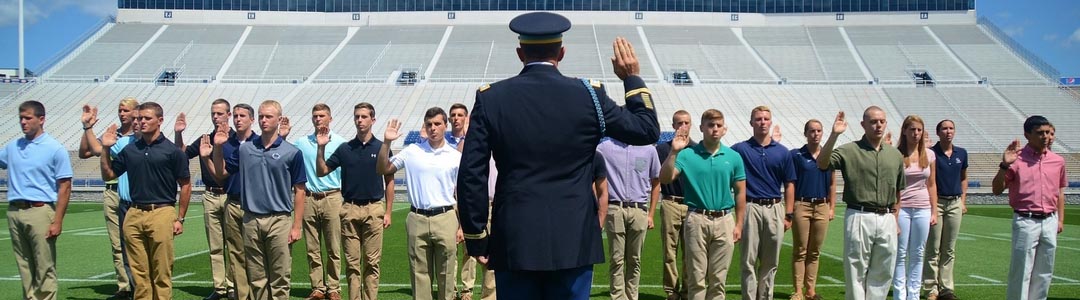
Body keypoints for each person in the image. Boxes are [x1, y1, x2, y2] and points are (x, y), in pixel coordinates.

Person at [455, 12, 659, 299]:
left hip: (515, 238)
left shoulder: (492, 98)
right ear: (561, 52)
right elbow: (646, 130)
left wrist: (477, 238)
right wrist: (632, 78)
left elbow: (472, 174)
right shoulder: (590, 96)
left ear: (519, 53)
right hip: (573, 240)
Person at [207, 100, 307, 300]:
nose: (263, 120)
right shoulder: (245, 150)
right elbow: (221, 172)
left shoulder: (292, 152)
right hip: (251, 219)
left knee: (279, 278)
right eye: (261, 116)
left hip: (279, 219)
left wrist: (296, 225)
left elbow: (300, 190)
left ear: (279, 119)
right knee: (257, 278)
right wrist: (218, 148)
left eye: (268, 116)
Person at [100, 102, 193, 300]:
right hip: (134, 213)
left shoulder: (172, 151)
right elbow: (108, 175)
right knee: (139, 274)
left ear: (160, 121)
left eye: (147, 118)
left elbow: (186, 185)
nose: (141, 122)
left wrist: (180, 218)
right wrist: (105, 149)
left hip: (162, 211)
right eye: (139, 118)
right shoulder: (130, 150)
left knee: (161, 272)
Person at [817, 107, 904, 300]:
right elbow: (822, 163)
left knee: (884, 270)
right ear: (863, 125)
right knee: (855, 269)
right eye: (873, 121)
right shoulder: (849, 150)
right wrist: (833, 134)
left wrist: (895, 218)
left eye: (881, 121)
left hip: (887, 217)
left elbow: (898, 191)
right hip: (859, 214)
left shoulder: (895, 155)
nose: (878, 125)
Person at [377, 107, 463, 300]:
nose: (433, 128)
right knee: (419, 274)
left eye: (437, 124)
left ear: (445, 126)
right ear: (424, 126)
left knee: (447, 274)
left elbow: (461, 193)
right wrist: (387, 142)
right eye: (429, 124)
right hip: (417, 217)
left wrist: (461, 225)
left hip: (446, 216)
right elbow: (383, 168)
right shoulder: (412, 151)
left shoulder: (455, 157)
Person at [659, 109, 745, 300]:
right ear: (702, 128)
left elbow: (740, 192)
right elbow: (665, 178)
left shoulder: (733, 157)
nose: (714, 129)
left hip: (724, 220)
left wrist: (739, 224)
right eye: (710, 125)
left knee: (718, 280)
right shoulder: (687, 154)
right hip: (696, 219)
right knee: (696, 279)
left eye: (718, 125)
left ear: (724, 129)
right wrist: (673, 152)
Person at [314, 102, 396, 300]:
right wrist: (321, 148)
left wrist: (388, 212)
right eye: (357, 116)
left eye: (364, 116)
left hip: (374, 208)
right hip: (349, 209)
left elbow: (389, 181)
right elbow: (321, 171)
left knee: (371, 262)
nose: (360, 120)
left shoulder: (381, 147)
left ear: (373, 120)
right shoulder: (345, 149)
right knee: (352, 264)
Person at [2, 101, 73, 300]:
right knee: (24, 265)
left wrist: (58, 220)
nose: (23, 122)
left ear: (41, 119)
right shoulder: (13, 146)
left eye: (28, 118)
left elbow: (65, 186)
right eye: (21, 118)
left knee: (44, 265)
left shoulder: (55, 148)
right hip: (15, 211)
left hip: (40, 211)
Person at [993, 116, 1066, 300]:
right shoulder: (1016, 159)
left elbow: (1059, 192)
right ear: (1027, 134)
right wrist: (1004, 165)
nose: (1046, 137)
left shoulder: (1058, 161)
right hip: (1026, 220)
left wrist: (1060, 219)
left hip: (1050, 219)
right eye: (1040, 133)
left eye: (1048, 132)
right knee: (1022, 271)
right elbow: (996, 189)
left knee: (1044, 272)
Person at [174, 98, 237, 300]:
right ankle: (219, 288)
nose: (216, 117)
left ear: (229, 115)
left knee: (235, 245)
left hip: (232, 195)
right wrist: (178, 133)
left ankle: (234, 286)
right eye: (213, 113)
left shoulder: (237, 140)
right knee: (215, 245)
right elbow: (180, 154)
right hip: (210, 195)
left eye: (220, 113)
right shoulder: (205, 139)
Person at [730, 106, 795, 300]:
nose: (763, 122)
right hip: (750, 207)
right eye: (758, 119)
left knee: (770, 262)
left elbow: (790, 184)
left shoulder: (783, 152)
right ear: (751, 123)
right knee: (748, 261)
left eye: (766, 119)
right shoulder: (740, 149)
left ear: (771, 121)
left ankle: (766, 297)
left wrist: (789, 214)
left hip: (775, 208)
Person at [79, 99, 138, 300]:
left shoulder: (134, 138)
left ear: (135, 113)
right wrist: (88, 129)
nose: (122, 114)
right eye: (120, 110)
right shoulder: (114, 134)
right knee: (117, 243)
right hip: (112, 190)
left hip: (130, 193)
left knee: (133, 242)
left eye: (126, 110)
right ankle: (124, 286)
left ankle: (137, 284)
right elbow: (85, 151)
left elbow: (96, 149)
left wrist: (90, 130)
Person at [596, 137, 660, 300]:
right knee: (616, 259)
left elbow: (656, 181)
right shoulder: (604, 148)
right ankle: (618, 297)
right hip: (614, 208)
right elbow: (595, 176)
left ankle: (632, 296)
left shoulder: (649, 149)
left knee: (635, 259)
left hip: (639, 209)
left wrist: (651, 214)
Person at [296, 103, 347, 300]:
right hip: (309, 198)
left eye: (322, 116)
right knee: (312, 247)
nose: (318, 119)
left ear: (330, 119)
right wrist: (282, 135)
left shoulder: (341, 143)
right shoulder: (302, 142)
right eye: (315, 116)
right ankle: (317, 287)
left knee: (334, 246)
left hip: (332, 197)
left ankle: (333, 287)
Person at [210, 103, 257, 300]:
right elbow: (220, 174)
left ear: (251, 119)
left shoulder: (259, 142)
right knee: (236, 254)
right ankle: (241, 294)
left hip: (255, 206)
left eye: (242, 116)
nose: (238, 119)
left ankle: (257, 293)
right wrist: (215, 150)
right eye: (236, 115)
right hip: (233, 202)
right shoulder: (226, 143)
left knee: (255, 254)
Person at [789, 119, 836, 300]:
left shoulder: (829, 155)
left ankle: (810, 290)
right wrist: (791, 209)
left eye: (818, 131)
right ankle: (798, 291)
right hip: (802, 205)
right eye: (811, 131)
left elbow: (832, 184)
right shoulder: (797, 155)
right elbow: (791, 183)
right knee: (800, 250)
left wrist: (831, 207)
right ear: (805, 134)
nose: (815, 134)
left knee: (815, 251)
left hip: (822, 206)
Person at [892, 115, 938, 300]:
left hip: (922, 207)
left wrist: (934, 210)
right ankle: (899, 295)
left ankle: (914, 295)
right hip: (902, 207)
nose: (916, 133)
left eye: (919, 130)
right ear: (904, 131)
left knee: (918, 253)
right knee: (900, 253)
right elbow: (894, 186)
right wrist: (894, 213)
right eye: (912, 129)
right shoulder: (896, 154)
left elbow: (932, 183)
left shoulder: (930, 154)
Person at [923, 119, 968, 300]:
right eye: (944, 129)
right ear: (938, 132)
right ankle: (931, 288)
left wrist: (963, 200)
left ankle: (946, 287)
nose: (948, 132)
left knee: (949, 249)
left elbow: (964, 178)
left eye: (951, 128)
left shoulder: (961, 153)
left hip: (955, 203)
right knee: (933, 248)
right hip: (937, 203)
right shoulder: (932, 153)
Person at [654, 110, 695, 300]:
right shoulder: (662, 149)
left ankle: (687, 291)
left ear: (691, 125)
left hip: (692, 204)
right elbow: (656, 178)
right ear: (673, 126)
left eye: (686, 123)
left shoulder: (697, 149)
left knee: (691, 252)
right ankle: (671, 291)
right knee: (669, 251)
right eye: (679, 123)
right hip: (670, 202)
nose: (683, 127)